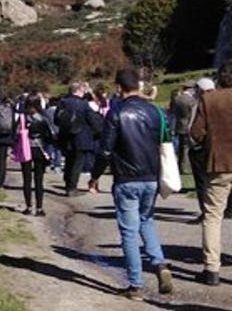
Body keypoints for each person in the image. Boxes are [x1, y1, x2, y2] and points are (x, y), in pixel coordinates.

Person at [88, 67, 174, 299]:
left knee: (128, 231)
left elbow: (105, 150)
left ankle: (135, 284)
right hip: (151, 177)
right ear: (139, 85)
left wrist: (94, 176)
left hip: (126, 178)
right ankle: (159, 263)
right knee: (147, 220)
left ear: (119, 87)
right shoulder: (156, 112)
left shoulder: (116, 113)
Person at [189, 65, 232, 284]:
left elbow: (196, 133)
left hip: (219, 163)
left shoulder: (210, 99)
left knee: (213, 216)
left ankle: (212, 269)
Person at [188, 77, 227, 223]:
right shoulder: (217, 101)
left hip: (204, 148)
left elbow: (196, 130)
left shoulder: (204, 103)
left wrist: (198, 141)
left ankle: (206, 211)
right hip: (216, 148)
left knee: (203, 182)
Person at [56, 83, 95, 196]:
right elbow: (91, 119)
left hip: (65, 136)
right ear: (78, 90)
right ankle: (72, 188)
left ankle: (67, 183)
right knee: (78, 163)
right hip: (81, 136)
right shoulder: (83, 104)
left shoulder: (62, 102)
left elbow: (56, 120)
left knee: (69, 160)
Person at [18, 93, 53, 215]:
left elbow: (16, 133)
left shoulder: (22, 118)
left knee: (26, 179)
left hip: (25, 148)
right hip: (40, 149)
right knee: (39, 179)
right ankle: (39, 207)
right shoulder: (43, 118)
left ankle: (28, 206)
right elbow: (50, 135)